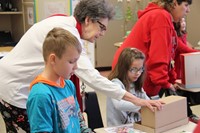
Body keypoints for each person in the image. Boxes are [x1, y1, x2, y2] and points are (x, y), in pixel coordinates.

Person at [0, 0, 163, 132]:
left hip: (16, 80)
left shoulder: (65, 26)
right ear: (88, 20)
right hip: (14, 87)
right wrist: (137, 101)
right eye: (102, 27)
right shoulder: (68, 34)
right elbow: (92, 77)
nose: (103, 33)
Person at [112, 0, 192, 98]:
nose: (188, 10)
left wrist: (171, 80)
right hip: (133, 76)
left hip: (132, 72)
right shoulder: (161, 16)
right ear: (175, 3)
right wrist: (166, 83)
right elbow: (159, 56)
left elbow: (167, 56)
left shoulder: (160, 15)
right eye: (186, 5)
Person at [26, 27, 92, 133]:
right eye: (71, 62)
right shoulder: (40, 95)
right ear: (53, 59)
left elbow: (79, 122)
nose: (76, 67)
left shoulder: (69, 85)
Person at [107, 48, 149, 127]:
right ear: (123, 68)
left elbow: (147, 100)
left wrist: (151, 104)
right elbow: (119, 105)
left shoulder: (136, 84)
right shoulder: (115, 84)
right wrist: (142, 104)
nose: (138, 73)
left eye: (140, 69)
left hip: (135, 128)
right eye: (133, 69)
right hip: (118, 129)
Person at [173, 17, 200, 123]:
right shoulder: (175, 36)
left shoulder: (183, 34)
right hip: (178, 70)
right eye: (181, 21)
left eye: (184, 21)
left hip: (186, 68)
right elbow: (184, 49)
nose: (183, 23)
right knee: (180, 93)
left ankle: (188, 114)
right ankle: (187, 114)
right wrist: (196, 51)